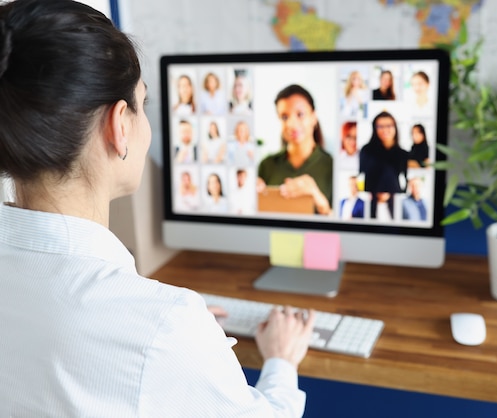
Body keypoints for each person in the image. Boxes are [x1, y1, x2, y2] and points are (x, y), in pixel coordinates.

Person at [0, 1, 316, 416]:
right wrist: (280, 362)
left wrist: (187, 345)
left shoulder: (162, 325)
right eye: (142, 105)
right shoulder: (164, 324)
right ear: (118, 126)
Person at [257, 84, 333, 215]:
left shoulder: (332, 166)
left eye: (300, 114)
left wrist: (321, 203)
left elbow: (344, 230)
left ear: (314, 117)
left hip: (315, 236)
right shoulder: (266, 165)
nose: (291, 124)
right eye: (284, 117)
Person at [359, 111, 408, 219]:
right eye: (380, 126)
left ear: (395, 127)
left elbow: (405, 180)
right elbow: (360, 175)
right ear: (374, 129)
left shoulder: (403, 154)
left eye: (389, 126)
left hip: (394, 200)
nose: (385, 130)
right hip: (371, 202)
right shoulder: (367, 151)